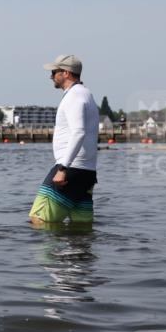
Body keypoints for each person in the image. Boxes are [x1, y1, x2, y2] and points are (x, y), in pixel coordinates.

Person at [29, 54, 100, 225]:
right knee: (80, 229)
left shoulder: (74, 96)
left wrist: (62, 168)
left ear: (66, 73)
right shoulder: (86, 94)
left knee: (39, 219)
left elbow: (78, 132)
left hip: (71, 169)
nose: (51, 76)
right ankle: (79, 253)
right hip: (86, 172)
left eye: (54, 72)